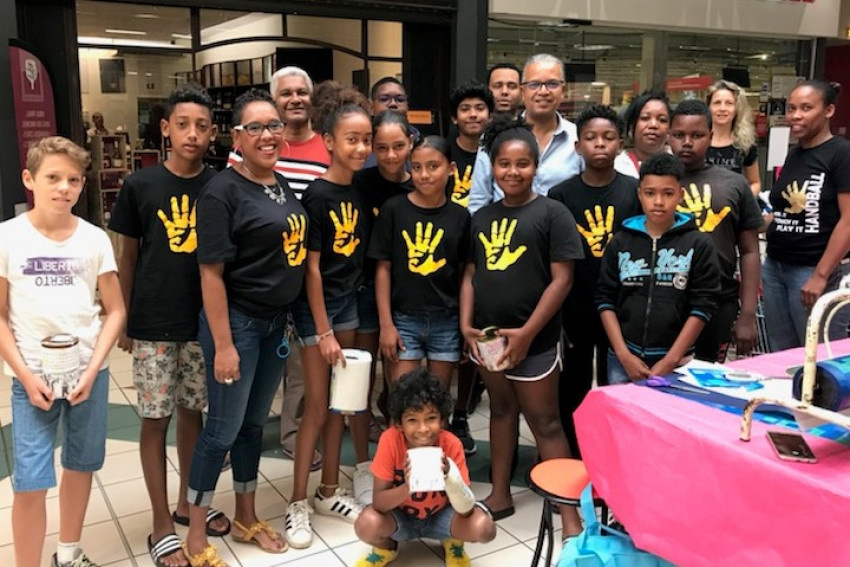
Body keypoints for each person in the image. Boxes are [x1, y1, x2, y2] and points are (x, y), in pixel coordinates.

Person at [108, 84, 230, 567]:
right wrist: (123, 317)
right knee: (155, 418)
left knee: (192, 414)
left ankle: (187, 503)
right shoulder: (141, 186)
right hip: (153, 323)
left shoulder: (221, 184)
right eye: (183, 124)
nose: (192, 134)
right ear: (165, 128)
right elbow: (128, 257)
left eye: (202, 126)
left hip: (201, 320)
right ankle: (161, 521)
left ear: (213, 132)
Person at [186, 88, 306, 565]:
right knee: (221, 431)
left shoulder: (279, 183)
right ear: (236, 136)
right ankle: (196, 531)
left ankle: (246, 516)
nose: (267, 135)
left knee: (253, 427)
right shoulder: (221, 192)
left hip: (275, 327)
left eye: (273, 125)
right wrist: (224, 345)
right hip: (237, 327)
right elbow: (210, 274)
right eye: (254, 127)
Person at [1, 136, 125, 567]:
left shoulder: (94, 240)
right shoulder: (8, 238)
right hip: (31, 375)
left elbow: (115, 309)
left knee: (82, 463)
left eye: (73, 180)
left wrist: (93, 370)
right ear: (29, 179)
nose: (64, 188)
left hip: (88, 371)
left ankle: (69, 551)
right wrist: (23, 373)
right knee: (30, 482)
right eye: (53, 178)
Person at [460, 115, 584, 539]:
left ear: (536, 166)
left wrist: (529, 332)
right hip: (490, 340)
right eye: (504, 164)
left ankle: (569, 515)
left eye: (523, 164)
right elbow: (470, 275)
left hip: (537, 340)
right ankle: (499, 493)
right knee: (500, 410)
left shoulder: (553, 214)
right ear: (492, 167)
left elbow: (562, 279)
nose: (513, 172)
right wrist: (466, 325)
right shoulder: (480, 218)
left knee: (546, 421)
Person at [285, 83, 373, 549]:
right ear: (330, 142)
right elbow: (311, 270)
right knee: (317, 407)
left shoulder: (357, 194)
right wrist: (321, 331)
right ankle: (297, 502)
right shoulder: (316, 197)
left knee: (344, 402)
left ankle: (328, 491)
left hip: (349, 305)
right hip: (316, 311)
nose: (360, 148)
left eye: (366, 139)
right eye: (351, 139)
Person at [548, 104, 640, 456]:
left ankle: (612, 454)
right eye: (590, 138)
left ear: (620, 144)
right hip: (575, 306)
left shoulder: (635, 191)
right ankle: (571, 452)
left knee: (615, 384)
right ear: (577, 146)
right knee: (572, 383)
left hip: (622, 307)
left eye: (608, 137)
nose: (599, 144)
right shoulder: (560, 196)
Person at [596, 153, 720, 384]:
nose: (659, 202)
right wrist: (623, 354)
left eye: (668, 193)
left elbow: (703, 305)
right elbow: (605, 299)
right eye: (650, 193)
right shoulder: (621, 242)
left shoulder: (698, 244)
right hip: (623, 360)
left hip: (678, 363)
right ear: (639, 194)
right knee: (623, 418)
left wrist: (671, 360)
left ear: (681, 195)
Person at [353, 369, 496, 567]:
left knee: (485, 528)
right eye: (412, 420)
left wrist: (450, 476)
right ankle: (386, 548)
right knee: (366, 524)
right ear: (400, 424)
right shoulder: (390, 440)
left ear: (443, 420)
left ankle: (453, 541)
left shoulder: (451, 444)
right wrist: (407, 487)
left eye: (431, 418)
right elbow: (378, 503)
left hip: (441, 516)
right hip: (402, 518)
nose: (423, 429)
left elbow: (466, 509)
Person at [352, 109, 416, 501]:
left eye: (398, 146)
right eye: (382, 148)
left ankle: (403, 466)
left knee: (399, 389)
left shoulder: (420, 185)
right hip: (360, 293)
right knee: (358, 383)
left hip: (403, 300)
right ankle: (363, 467)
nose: (391, 155)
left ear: (411, 142)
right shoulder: (360, 183)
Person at [370, 135, 470, 385]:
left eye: (433, 166)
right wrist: (386, 324)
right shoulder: (394, 209)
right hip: (403, 319)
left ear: (451, 169)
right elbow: (383, 268)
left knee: (438, 400)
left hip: (446, 319)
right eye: (416, 167)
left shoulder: (460, 217)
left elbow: (464, 273)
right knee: (403, 402)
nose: (424, 174)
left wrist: (465, 323)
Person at [669, 99, 763, 363]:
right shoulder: (656, 182)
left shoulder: (734, 184)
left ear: (710, 137)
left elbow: (749, 251)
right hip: (668, 299)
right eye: (679, 135)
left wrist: (747, 315)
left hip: (718, 299)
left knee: (708, 380)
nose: (687, 142)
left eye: (697, 135)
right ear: (669, 137)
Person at [763, 80, 850, 350]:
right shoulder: (795, 155)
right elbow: (787, 212)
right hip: (775, 267)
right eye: (792, 108)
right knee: (781, 355)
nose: (795, 115)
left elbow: (848, 220)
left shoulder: (841, 153)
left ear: (829, 111)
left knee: (819, 356)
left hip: (813, 270)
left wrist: (821, 275)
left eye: (806, 108)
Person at [468, 53, 581, 213]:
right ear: (523, 91)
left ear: (563, 90)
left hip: (559, 234)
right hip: (502, 232)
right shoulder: (496, 136)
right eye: (534, 84)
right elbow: (479, 200)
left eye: (552, 84)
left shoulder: (578, 138)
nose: (543, 91)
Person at [706, 80, 761, 197]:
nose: (722, 108)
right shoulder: (697, 140)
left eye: (729, 103)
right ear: (708, 107)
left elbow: (755, 183)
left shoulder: (745, 144)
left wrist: (742, 203)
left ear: (737, 108)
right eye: (717, 103)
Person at [447, 81, 493, 208]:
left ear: (490, 116)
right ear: (454, 118)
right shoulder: (443, 153)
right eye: (465, 109)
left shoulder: (497, 154)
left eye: (480, 108)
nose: (473, 115)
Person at [615, 91, 672, 178]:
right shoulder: (617, 167)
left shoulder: (681, 162)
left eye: (662, 120)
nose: (653, 125)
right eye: (645, 118)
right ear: (631, 126)